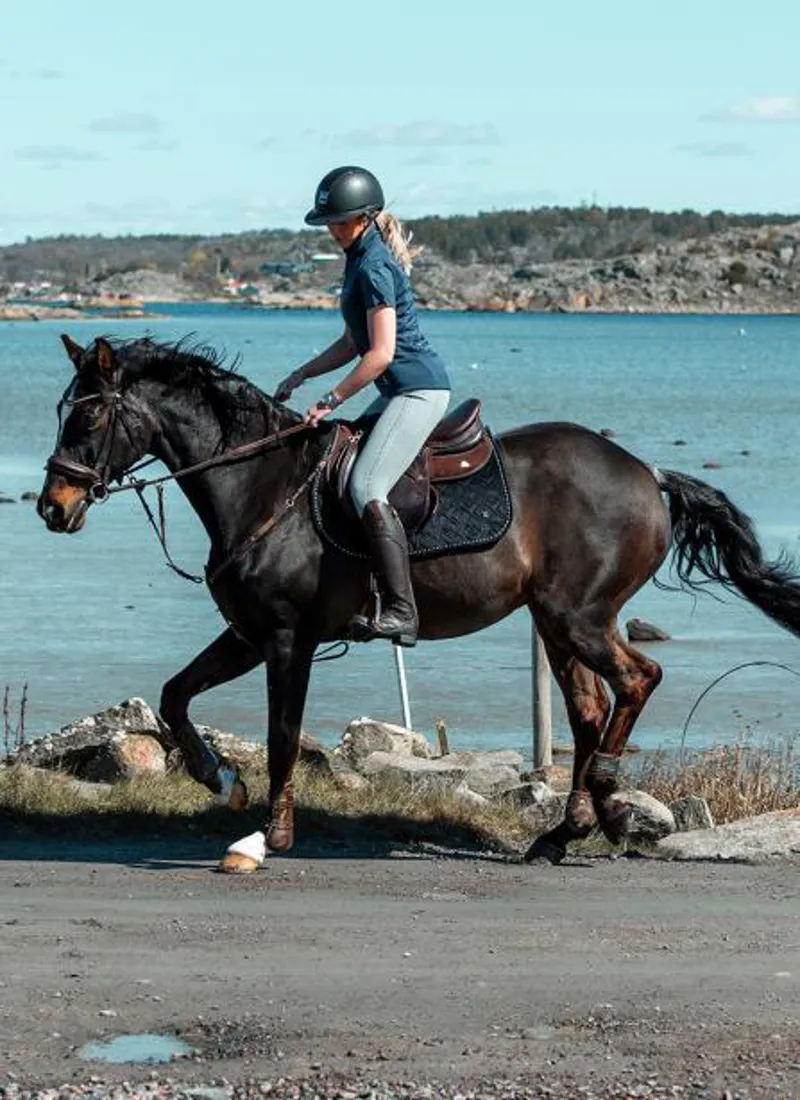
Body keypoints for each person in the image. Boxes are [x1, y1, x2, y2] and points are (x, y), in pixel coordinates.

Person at [275, 166, 451, 647]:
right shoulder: (358, 258)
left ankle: (401, 610)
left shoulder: (373, 266)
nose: (334, 230)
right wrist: (304, 374)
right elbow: (353, 341)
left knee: (365, 484)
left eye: (342, 221)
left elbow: (381, 354)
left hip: (417, 390)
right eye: (330, 222)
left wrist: (331, 399)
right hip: (395, 391)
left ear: (368, 217)